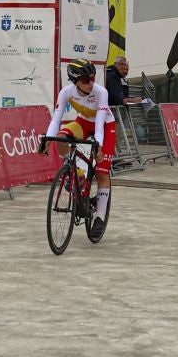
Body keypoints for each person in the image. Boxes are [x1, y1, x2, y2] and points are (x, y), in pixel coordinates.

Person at [46, 59, 115, 238]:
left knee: (101, 172)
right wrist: (47, 139)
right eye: (86, 80)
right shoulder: (66, 92)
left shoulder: (101, 92)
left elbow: (99, 124)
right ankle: (75, 171)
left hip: (105, 125)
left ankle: (99, 217)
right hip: (83, 122)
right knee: (61, 137)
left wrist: (97, 147)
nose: (91, 83)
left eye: (93, 78)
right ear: (75, 81)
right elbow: (56, 119)